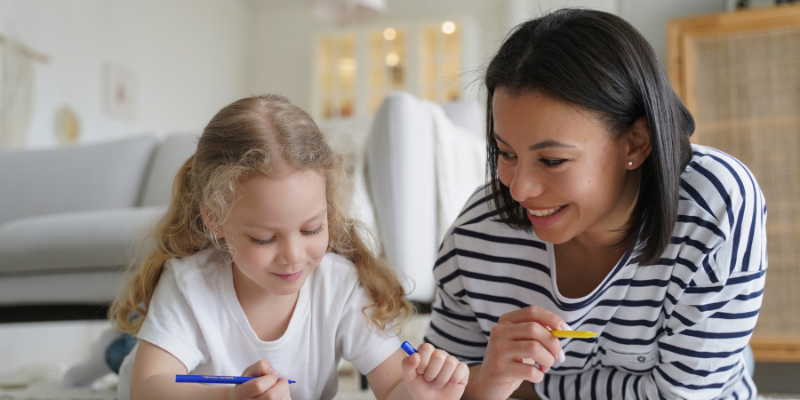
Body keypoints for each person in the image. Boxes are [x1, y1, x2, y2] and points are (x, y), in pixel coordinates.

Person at [424, 8, 766, 400]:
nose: (519, 191)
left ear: (635, 143)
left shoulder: (713, 204)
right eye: (506, 153)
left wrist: (521, 388)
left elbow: (683, 396)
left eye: (552, 160)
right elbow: (436, 390)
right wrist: (485, 382)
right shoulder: (476, 234)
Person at [109, 94, 469, 400]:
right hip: (153, 371)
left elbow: (392, 387)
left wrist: (421, 392)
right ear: (215, 220)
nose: (294, 256)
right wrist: (230, 396)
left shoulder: (340, 286)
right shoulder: (190, 283)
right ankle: (116, 350)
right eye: (264, 238)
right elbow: (147, 386)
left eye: (312, 229)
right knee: (122, 358)